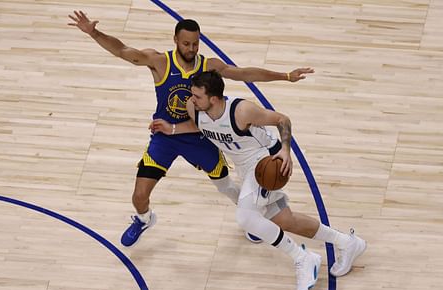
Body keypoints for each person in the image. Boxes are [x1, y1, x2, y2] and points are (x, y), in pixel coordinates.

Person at [68, 10, 315, 247]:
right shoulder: (160, 62)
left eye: (195, 44)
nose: (191, 49)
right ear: (175, 40)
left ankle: (252, 217)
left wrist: (285, 76)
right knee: (139, 195)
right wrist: (94, 33)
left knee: (225, 185)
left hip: (199, 136)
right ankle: (144, 219)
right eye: (186, 44)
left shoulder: (208, 66)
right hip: (165, 134)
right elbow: (122, 50)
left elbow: (244, 74)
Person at [150, 70, 367, 290]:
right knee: (284, 220)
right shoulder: (194, 108)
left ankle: (303, 257)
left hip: (265, 162)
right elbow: (204, 127)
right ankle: (347, 242)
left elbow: (282, 119)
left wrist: (285, 149)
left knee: (245, 217)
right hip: (245, 168)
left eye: (197, 96)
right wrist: (173, 129)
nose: (191, 99)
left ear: (213, 98)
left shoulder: (242, 111)